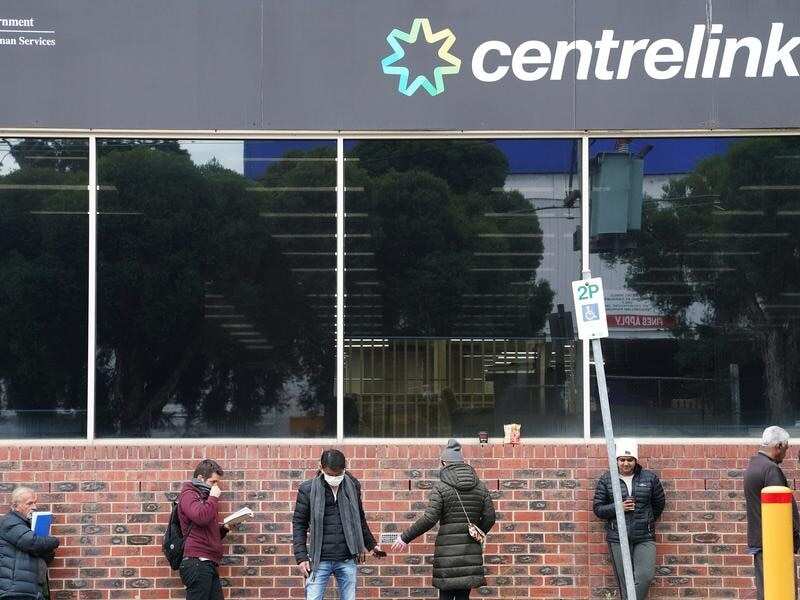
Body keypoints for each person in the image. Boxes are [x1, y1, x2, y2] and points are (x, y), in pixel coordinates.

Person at [392, 439, 496, 600]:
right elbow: (490, 517)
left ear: (444, 463)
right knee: (463, 597)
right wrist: (476, 531)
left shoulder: (441, 487)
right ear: (462, 462)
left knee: (445, 597)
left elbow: (429, 518)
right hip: (470, 554)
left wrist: (405, 538)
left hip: (447, 556)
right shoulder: (481, 487)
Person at [292, 449, 382, 600]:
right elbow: (299, 524)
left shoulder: (352, 486)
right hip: (319, 560)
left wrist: (372, 545)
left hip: (347, 558)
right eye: (330, 474)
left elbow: (359, 519)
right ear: (321, 467)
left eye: (338, 474)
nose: (334, 477)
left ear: (344, 469)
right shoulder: (307, 489)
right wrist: (301, 557)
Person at [593, 438, 665, 600]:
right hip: (618, 537)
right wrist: (619, 507)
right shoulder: (607, 479)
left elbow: (658, 504)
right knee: (625, 582)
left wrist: (646, 521)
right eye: (622, 460)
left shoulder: (650, 479)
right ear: (617, 461)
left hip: (644, 537)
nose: (626, 464)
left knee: (645, 577)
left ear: (636, 460)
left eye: (630, 460)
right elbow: (598, 509)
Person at [744, 426, 799, 600]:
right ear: (779, 446)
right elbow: (782, 510)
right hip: (775, 545)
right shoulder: (770, 470)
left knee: (766, 591)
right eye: (786, 448)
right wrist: (796, 536)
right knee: (782, 592)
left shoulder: (753, 466)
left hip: (760, 542)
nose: (786, 453)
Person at [178, 459, 230, 600]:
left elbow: (205, 530)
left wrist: (224, 529)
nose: (216, 486)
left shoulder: (206, 498)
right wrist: (213, 497)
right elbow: (200, 517)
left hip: (208, 563)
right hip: (197, 563)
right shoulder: (189, 494)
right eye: (213, 482)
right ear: (201, 478)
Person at [0, 486, 59, 600]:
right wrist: (55, 541)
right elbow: (31, 542)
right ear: (15, 506)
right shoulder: (9, 522)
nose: (34, 507)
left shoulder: (28, 527)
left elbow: (47, 557)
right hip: (14, 592)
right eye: (29, 503)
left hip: (32, 592)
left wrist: (46, 545)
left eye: (35, 503)